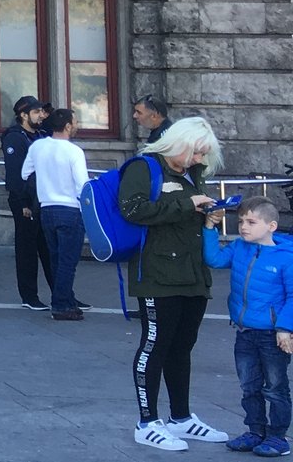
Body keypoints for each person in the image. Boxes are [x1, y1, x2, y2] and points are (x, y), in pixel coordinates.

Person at [122, 116, 231, 451]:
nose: (200, 160)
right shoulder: (144, 167)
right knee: (155, 345)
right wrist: (189, 204)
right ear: (181, 143)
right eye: (197, 153)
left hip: (192, 272)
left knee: (181, 347)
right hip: (157, 274)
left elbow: (181, 213)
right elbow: (133, 210)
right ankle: (147, 422)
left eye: (203, 156)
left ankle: (181, 418)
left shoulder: (191, 173)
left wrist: (208, 214)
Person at [204, 200, 293, 456]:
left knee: (276, 387)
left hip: (272, 334)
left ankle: (277, 437)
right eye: (241, 221)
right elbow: (214, 259)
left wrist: (285, 328)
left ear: (271, 226)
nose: (243, 226)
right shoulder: (239, 247)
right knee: (248, 385)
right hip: (244, 331)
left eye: (251, 222)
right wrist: (210, 227)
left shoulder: (286, 258)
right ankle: (255, 431)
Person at [22, 107, 91, 320]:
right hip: (70, 209)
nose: (77, 125)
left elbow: (26, 173)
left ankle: (66, 299)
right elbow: (82, 185)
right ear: (68, 126)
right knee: (68, 261)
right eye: (76, 121)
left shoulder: (38, 146)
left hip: (47, 208)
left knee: (56, 258)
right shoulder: (74, 151)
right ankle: (61, 304)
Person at [0, 95, 55, 311]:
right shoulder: (15, 138)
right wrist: (23, 203)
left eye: (42, 111)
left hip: (42, 198)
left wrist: (47, 115)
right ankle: (29, 295)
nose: (41, 115)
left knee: (49, 248)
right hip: (24, 199)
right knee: (27, 249)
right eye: (36, 112)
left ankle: (61, 293)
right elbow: (15, 174)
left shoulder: (41, 135)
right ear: (23, 115)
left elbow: (54, 124)